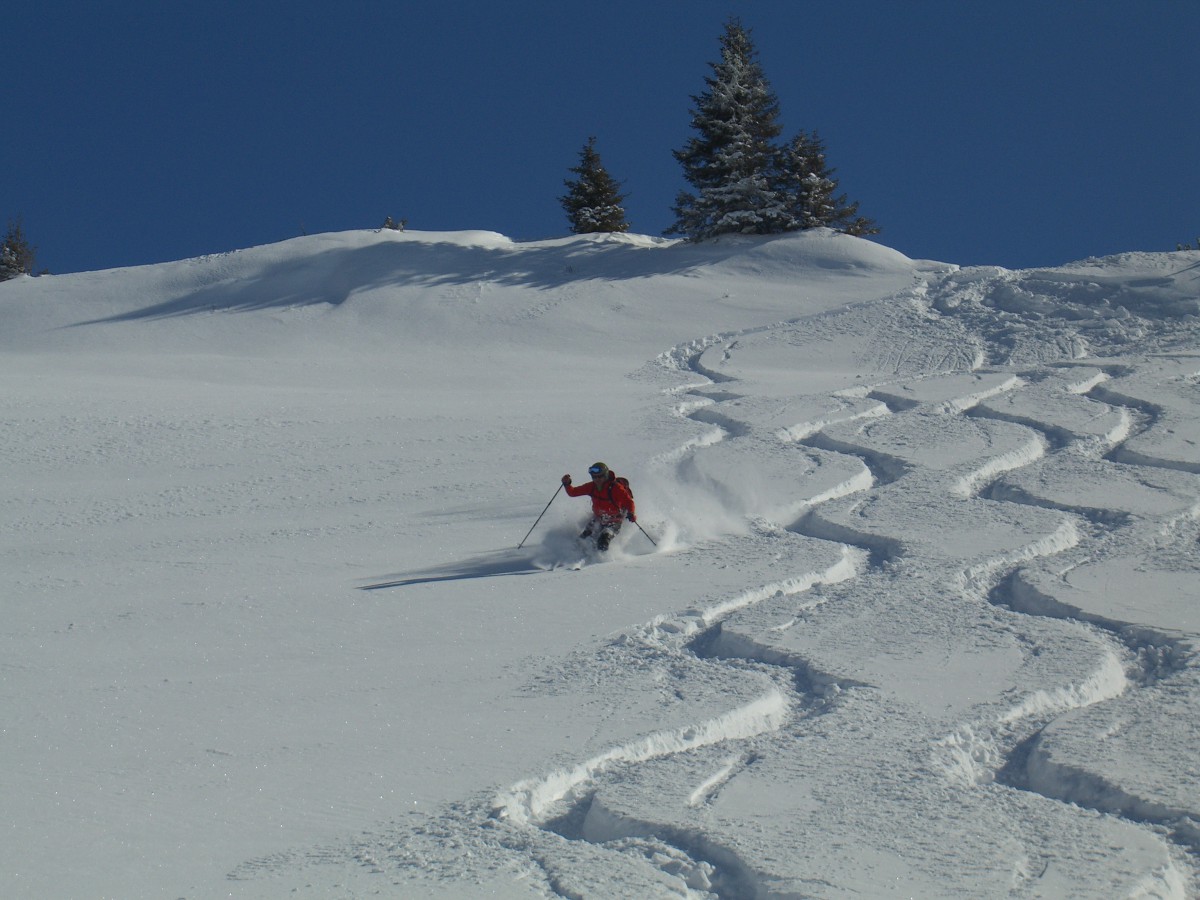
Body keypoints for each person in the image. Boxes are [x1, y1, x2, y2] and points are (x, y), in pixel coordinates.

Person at [561, 461, 636, 551]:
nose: (597, 479)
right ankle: (574, 557)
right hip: (598, 518)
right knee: (583, 538)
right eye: (594, 477)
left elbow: (629, 502)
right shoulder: (591, 486)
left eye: (600, 476)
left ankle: (601, 562)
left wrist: (631, 513)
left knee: (603, 540)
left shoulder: (616, 488)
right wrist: (567, 484)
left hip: (615, 521)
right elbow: (573, 492)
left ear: (606, 476)